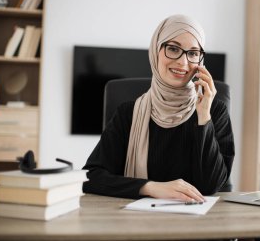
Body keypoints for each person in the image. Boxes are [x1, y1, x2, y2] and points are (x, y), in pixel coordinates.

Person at [82, 14, 235, 202]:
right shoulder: (127, 114)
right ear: (156, 51)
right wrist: (150, 187)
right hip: (137, 222)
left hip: (198, 225)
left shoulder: (214, 110)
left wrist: (204, 117)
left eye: (193, 53)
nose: (183, 62)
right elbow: (90, 178)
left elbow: (212, 186)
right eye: (173, 48)